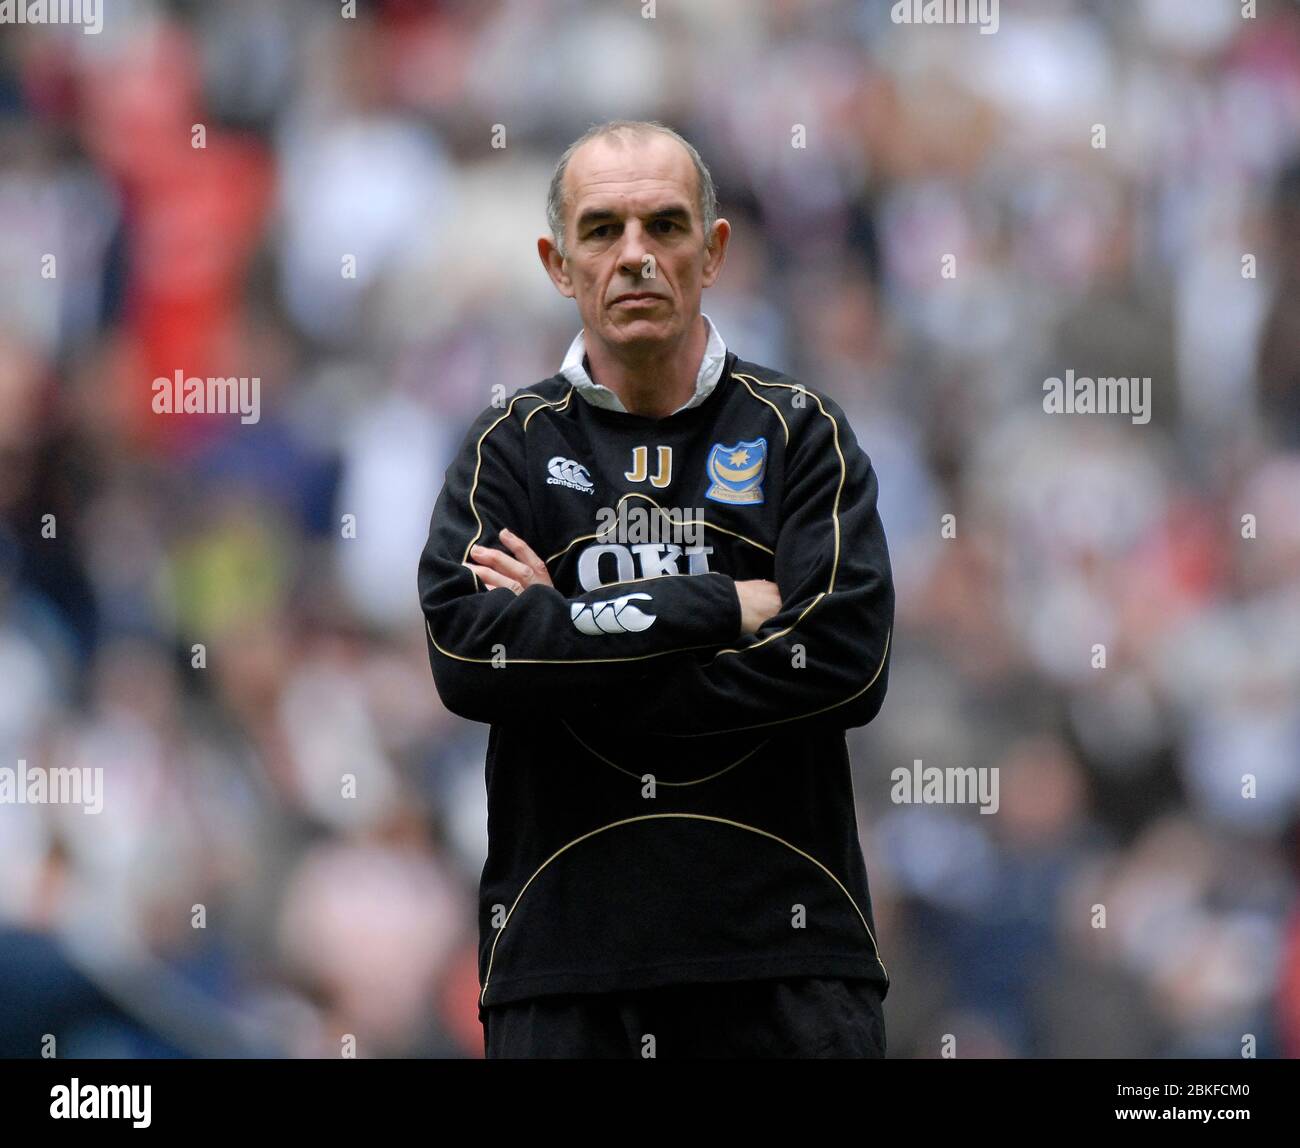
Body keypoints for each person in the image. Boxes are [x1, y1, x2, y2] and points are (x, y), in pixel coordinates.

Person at [417, 119, 894, 1058]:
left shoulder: (804, 433)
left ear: (712, 251)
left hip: (788, 956)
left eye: (665, 226)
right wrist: (718, 606)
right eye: (602, 231)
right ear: (558, 263)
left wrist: (563, 632)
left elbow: (844, 665)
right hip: (564, 961)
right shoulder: (504, 448)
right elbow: (472, 658)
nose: (635, 256)